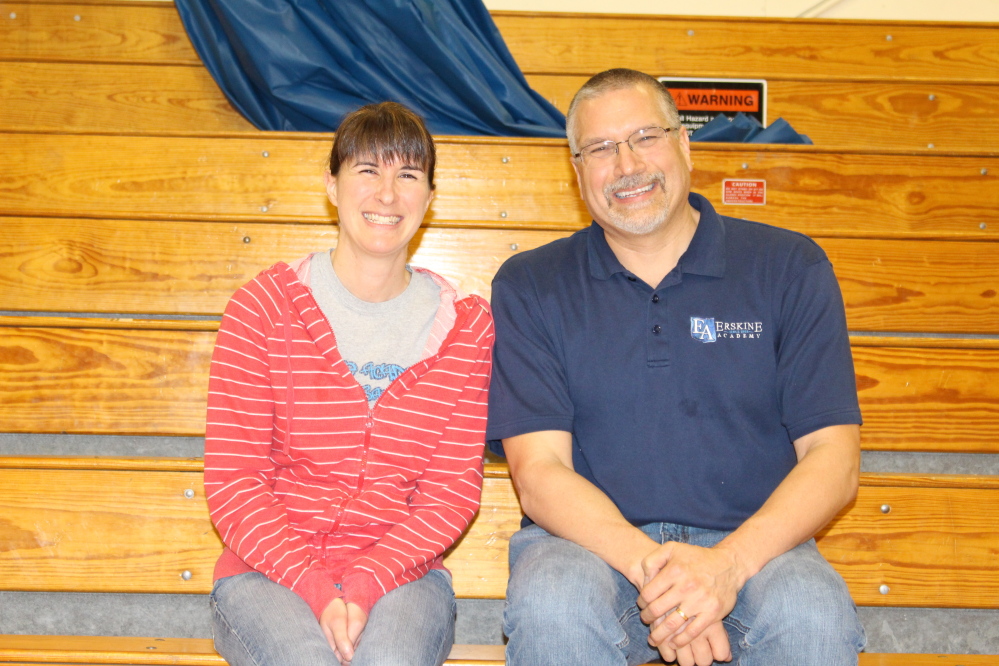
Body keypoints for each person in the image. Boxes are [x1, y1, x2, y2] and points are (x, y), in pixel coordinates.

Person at [486, 68, 866, 666]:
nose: (627, 165)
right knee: (552, 599)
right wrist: (671, 585)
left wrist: (726, 567)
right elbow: (539, 472)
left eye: (645, 137)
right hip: (593, 549)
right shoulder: (531, 284)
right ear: (577, 170)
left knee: (811, 613)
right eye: (601, 149)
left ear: (685, 145)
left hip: (756, 548)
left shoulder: (789, 266)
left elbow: (834, 459)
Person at [204, 101, 494, 666]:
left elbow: (450, 492)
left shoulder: (468, 327)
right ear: (332, 186)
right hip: (267, 575)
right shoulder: (261, 309)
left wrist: (363, 584)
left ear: (429, 198)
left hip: (403, 577)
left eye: (407, 175)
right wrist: (316, 589)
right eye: (367, 170)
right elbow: (234, 482)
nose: (387, 194)